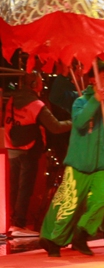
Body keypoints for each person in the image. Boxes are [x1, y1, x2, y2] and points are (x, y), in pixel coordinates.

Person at [38, 61, 104, 257]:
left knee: (103, 202)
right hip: (78, 165)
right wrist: (95, 100)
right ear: (92, 80)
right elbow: (79, 124)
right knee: (68, 206)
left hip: (101, 167)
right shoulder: (80, 102)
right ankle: (55, 241)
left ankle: (81, 234)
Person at [5, 71, 70, 237]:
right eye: (40, 81)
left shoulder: (12, 99)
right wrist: (75, 121)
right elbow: (55, 127)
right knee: (25, 188)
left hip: (11, 146)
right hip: (28, 148)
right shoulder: (36, 104)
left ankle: (12, 221)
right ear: (34, 84)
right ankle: (19, 223)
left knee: (14, 185)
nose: (42, 83)